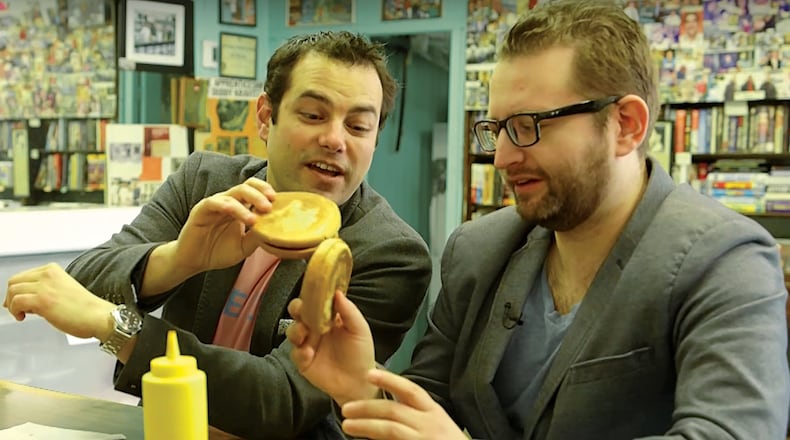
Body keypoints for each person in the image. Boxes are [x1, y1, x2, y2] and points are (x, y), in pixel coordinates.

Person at [286, 2, 790, 439]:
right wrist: (359, 386)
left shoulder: (725, 259)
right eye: (497, 128)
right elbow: (425, 409)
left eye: (528, 127)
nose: (502, 157)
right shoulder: (478, 249)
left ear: (626, 125)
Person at [3, 31, 432, 439]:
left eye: (358, 126)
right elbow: (82, 283)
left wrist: (118, 327)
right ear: (266, 117)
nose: (335, 139)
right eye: (313, 115)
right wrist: (180, 259)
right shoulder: (206, 182)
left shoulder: (391, 253)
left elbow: (279, 401)